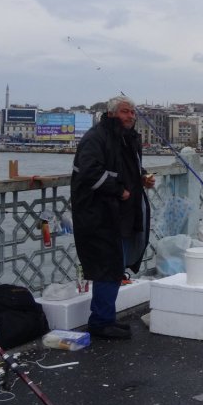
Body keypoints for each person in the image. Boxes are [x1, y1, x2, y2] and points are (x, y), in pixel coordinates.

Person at [71, 95, 155, 340]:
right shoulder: (95, 138)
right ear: (111, 113)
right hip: (99, 213)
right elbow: (89, 172)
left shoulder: (127, 137)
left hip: (121, 213)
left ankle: (105, 318)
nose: (130, 116)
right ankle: (100, 322)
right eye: (125, 112)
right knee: (107, 267)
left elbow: (128, 167)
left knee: (115, 265)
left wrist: (142, 177)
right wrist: (119, 190)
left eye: (132, 112)